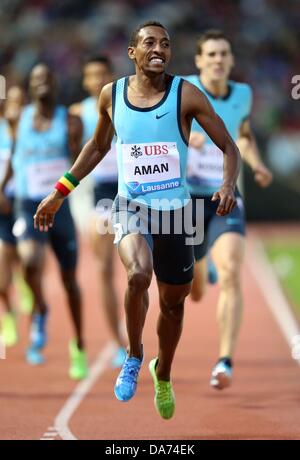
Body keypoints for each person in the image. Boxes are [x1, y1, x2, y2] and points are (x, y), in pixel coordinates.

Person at [34, 22, 240, 419]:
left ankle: (163, 372)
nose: (159, 48)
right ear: (132, 52)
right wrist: (59, 193)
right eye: (149, 43)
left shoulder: (186, 95)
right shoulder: (112, 95)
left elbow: (229, 146)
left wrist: (228, 184)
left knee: (173, 304)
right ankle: (134, 355)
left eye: (165, 43)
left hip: (178, 214)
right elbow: (98, 146)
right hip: (130, 206)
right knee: (136, 276)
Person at [185, 29, 273, 390]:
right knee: (193, 291)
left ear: (231, 60)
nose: (218, 60)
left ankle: (224, 361)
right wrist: (185, 136)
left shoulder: (243, 94)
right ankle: (202, 268)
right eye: (211, 54)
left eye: (224, 53)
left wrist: (256, 163)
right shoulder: (184, 90)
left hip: (225, 195)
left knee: (233, 271)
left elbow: (245, 134)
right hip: (187, 198)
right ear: (199, 60)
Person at [1, 64, 88, 379]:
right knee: (29, 263)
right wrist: (2, 188)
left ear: (55, 83)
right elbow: (14, 156)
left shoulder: (70, 122)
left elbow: (80, 163)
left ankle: (78, 344)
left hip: (60, 208)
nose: (42, 83)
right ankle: (40, 310)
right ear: (30, 86)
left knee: (70, 282)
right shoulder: (17, 118)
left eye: (47, 78)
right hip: (27, 205)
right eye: (36, 79)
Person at [69, 56, 127, 367]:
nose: (96, 79)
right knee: (104, 269)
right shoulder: (76, 114)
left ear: (111, 76)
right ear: (84, 80)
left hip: (134, 188)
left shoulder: (126, 104)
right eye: (91, 75)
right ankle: (118, 343)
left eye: (102, 74)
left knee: (142, 267)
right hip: (102, 193)